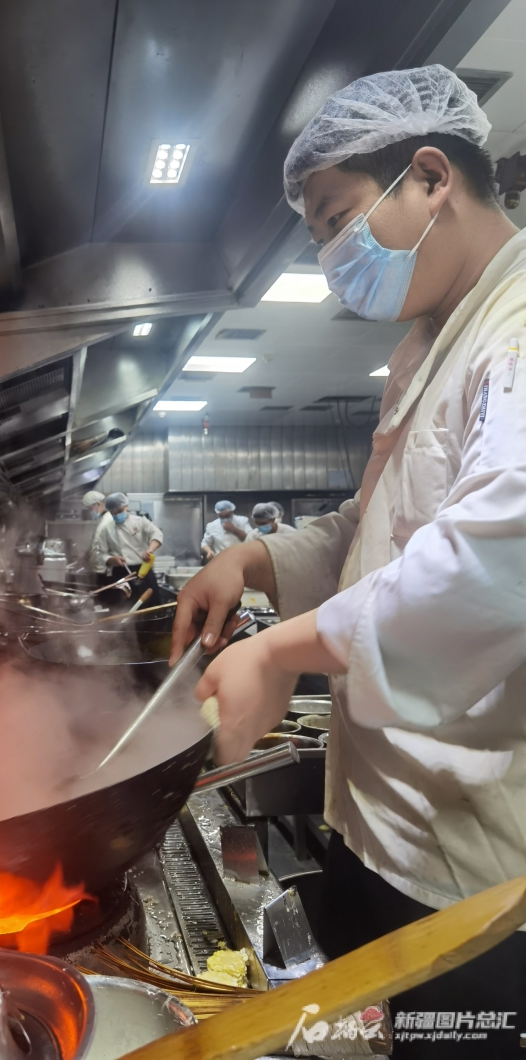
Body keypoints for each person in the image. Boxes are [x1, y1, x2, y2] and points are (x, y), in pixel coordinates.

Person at [171, 64, 526, 1057]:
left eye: (333, 219)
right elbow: (376, 532)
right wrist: (251, 558)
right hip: (382, 832)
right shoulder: (426, 346)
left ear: (426, 177)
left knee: (460, 1042)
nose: (330, 254)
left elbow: (498, 560)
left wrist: (281, 650)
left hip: (478, 875)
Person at [91, 492, 164, 601]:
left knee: (150, 606)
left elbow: (157, 534)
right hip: (120, 574)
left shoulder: (140, 521)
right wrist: (111, 559)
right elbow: (100, 555)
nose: (116, 514)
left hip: (143, 570)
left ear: (126, 506)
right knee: (125, 608)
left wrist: (150, 550)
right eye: (113, 513)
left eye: (119, 511)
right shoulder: (106, 529)